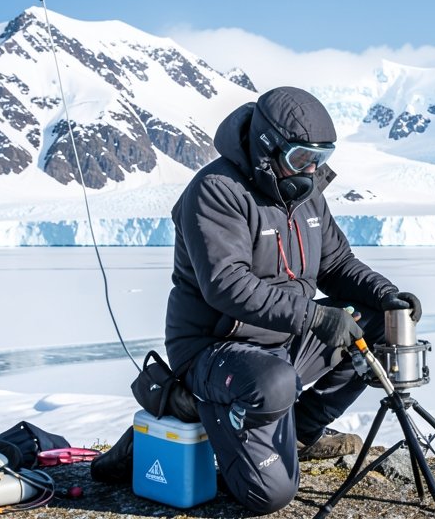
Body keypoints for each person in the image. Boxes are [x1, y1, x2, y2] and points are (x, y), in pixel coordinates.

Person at [163, 86, 421, 514]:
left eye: (321, 159)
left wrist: (388, 296)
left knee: (378, 325)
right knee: (271, 495)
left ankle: (301, 429)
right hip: (216, 347)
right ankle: (195, 405)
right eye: (303, 159)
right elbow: (227, 285)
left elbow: (337, 264)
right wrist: (317, 317)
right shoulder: (217, 190)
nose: (312, 170)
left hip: (285, 341)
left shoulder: (307, 195)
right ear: (269, 146)